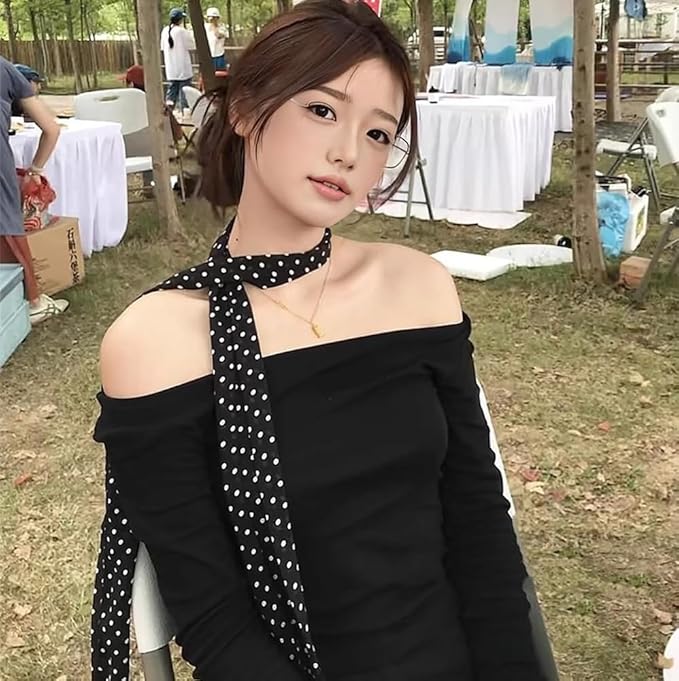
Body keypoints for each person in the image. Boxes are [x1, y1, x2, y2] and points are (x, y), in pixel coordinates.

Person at [90, 2, 548, 680]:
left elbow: (479, 527)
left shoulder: (417, 287)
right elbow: (214, 620)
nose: (349, 153)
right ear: (246, 108)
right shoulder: (155, 341)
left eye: (378, 133)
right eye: (323, 111)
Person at [0, 56, 68, 324]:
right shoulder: (5, 69)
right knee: (6, 225)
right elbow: (51, 128)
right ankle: (33, 302)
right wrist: (35, 169)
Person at [160, 7, 195, 111]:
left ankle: (168, 111)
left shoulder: (165, 31)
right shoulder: (182, 31)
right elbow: (192, 45)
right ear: (180, 20)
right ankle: (185, 112)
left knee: (171, 92)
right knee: (185, 92)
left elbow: (162, 47)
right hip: (183, 68)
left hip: (171, 69)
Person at [205, 6, 228, 71]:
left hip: (219, 56)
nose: (211, 19)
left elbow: (218, 35)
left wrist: (213, 26)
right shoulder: (205, 27)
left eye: (214, 17)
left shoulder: (222, 28)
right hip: (208, 56)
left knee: (220, 74)